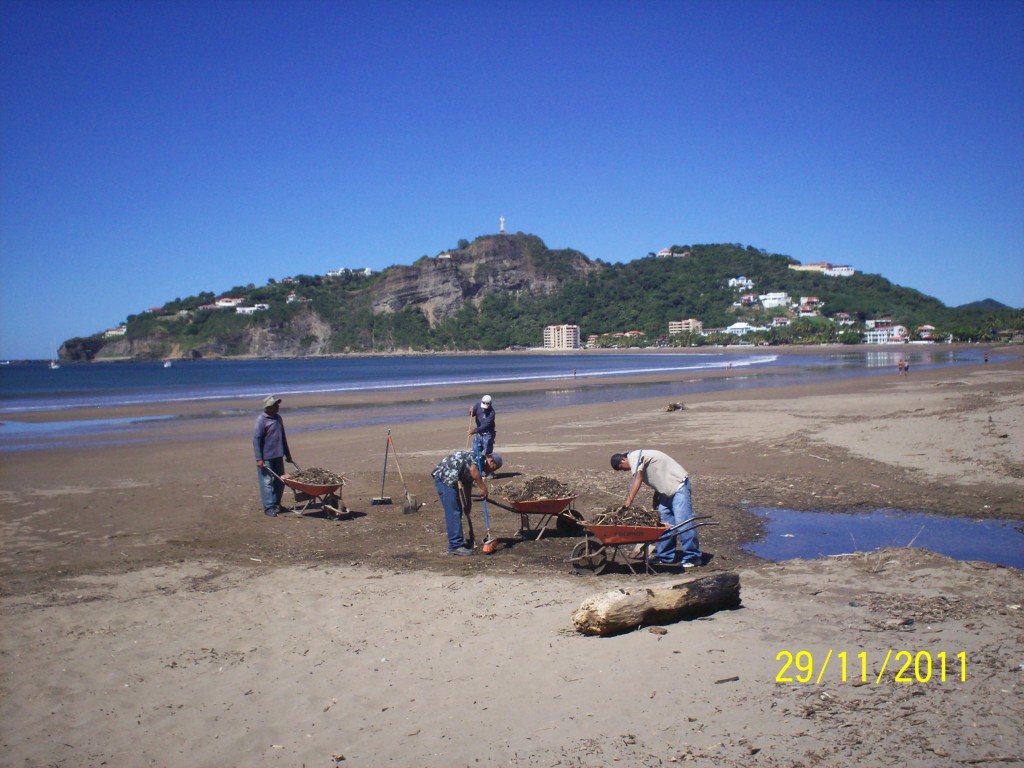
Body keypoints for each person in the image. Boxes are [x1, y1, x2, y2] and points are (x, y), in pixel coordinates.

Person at [610, 450, 704, 567]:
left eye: (621, 468)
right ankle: (665, 556)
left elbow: (638, 479)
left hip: (678, 487)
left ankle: (693, 557)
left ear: (623, 459)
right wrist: (656, 498)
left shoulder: (633, 456)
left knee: (683, 522)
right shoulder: (639, 458)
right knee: (665, 525)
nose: (624, 471)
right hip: (666, 492)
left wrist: (627, 505)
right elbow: (658, 476)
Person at [432, 449, 503, 555]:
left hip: (447, 478)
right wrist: (483, 488)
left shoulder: (476, 466)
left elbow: (467, 485)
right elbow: (473, 471)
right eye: (494, 468)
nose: (489, 472)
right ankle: (455, 546)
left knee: (456, 511)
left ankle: (457, 543)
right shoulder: (479, 457)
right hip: (445, 477)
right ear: (491, 461)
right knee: (453, 512)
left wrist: (468, 504)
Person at [253, 395, 293, 517]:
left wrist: (288, 454)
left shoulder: (278, 418)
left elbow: (283, 437)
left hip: (278, 455)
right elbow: (256, 440)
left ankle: (276, 504)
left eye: (277, 404)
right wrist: (259, 458)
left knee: (280, 481)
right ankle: (269, 507)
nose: (278, 407)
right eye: (275, 405)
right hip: (266, 457)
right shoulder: (261, 420)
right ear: (269, 407)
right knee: (267, 482)